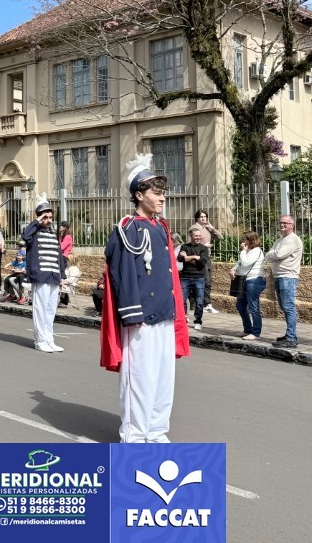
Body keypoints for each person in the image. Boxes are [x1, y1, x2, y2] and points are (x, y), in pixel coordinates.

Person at [100, 153, 189, 443]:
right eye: (156, 193)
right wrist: (132, 314)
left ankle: (156, 430)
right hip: (141, 317)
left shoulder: (160, 227)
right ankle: (135, 436)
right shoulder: (127, 228)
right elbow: (123, 273)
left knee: (163, 379)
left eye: (163, 193)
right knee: (139, 379)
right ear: (139, 195)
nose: (162, 198)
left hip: (163, 313)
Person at [22, 196, 66, 353]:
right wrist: (37, 221)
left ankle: (49, 339)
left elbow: (59, 255)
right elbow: (25, 236)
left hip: (54, 276)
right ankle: (40, 340)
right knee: (40, 309)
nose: (48, 220)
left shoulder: (53, 232)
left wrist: (62, 275)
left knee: (50, 310)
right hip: (40, 275)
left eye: (50, 217)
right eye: (45, 217)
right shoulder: (33, 232)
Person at [266, 215, 303, 349]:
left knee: (288, 307)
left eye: (285, 223)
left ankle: (291, 337)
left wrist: (273, 254)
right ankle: (289, 334)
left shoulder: (293, 240)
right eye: (281, 222)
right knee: (284, 306)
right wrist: (273, 254)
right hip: (279, 276)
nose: (282, 225)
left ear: (292, 225)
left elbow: (278, 254)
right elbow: (269, 255)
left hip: (288, 277)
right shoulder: (280, 240)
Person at [232, 231, 266, 340]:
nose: (243, 241)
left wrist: (243, 251)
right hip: (245, 281)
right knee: (240, 305)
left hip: (254, 280)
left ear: (251, 240)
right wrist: (233, 269)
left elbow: (246, 263)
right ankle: (247, 329)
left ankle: (256, 332)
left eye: (244, 239)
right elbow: (240, 263)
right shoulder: (248, 251)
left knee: (253, 307)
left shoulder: (256, 251)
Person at [189, 209, 222, 314]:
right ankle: (206, 304)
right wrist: (204, 246)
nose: (204, 218)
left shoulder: (206, 228)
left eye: (205, 217)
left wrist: (211, 228)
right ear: (197, 218)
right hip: (199, 258)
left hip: (207, 258)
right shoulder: (194, 228)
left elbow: (220, 237)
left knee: (208, 282)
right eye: (201, 217)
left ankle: (204, 304)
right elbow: (189, 245)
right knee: (204, 281)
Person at [178, 228, 210, 331]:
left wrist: (188, 258)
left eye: (199, 236)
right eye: (196, 236)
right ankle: (182, 319)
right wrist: (195, 257)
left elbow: (202, 262)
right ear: (191, 236)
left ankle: (198, 321)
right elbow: (180, 258)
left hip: (199, 277)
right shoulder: (184, 246)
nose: (198, 237)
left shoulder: (203, 248)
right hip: (185, 277)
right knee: (181, 300)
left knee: (200, 301)